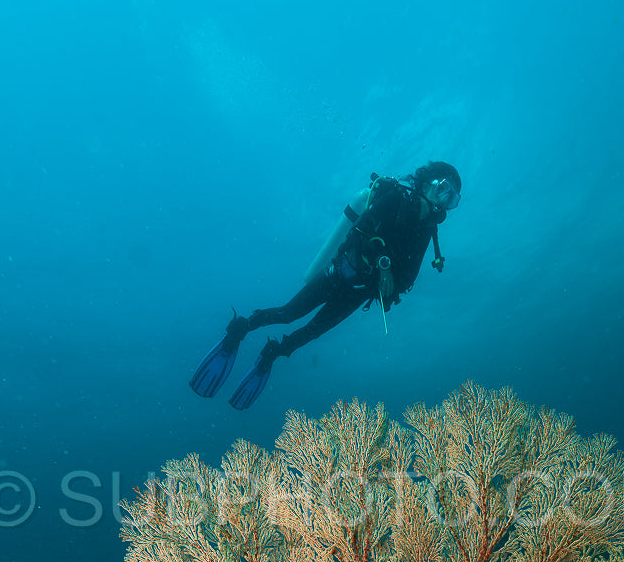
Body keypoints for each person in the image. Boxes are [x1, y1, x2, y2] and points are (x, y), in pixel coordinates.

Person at [189, 161, 462, 409]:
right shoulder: (396, 198)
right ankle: (242, 328)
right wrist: (383, 263)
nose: (444, 201)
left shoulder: (427, 229)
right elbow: (363, 230)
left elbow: (410, 276)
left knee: (311, 333)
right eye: (444, 190)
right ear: (427, 182)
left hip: (359, 294)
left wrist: (392, 290)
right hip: (341, 274)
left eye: (452, 199)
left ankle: (272, 353)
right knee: (288, 314)